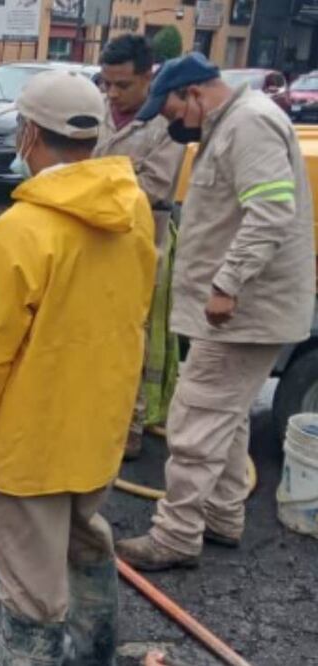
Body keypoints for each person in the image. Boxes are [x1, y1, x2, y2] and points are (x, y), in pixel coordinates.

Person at [0, 70, 156, 663]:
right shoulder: (132, 208)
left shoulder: (22, 231)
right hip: (97, 430)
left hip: (31, 446)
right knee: (85, 541)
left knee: (32, 592)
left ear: (28, 134)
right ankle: (94, 655)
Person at [116, 54, 315, 570]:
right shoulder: (231, 124)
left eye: (172, 112)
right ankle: (223, 515)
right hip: (243, 312)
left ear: (195, 95)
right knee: (225, 417)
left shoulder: (248, 125)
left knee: (195, 419)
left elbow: (270, 212)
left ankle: (176, 535)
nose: (172, 125)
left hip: (243, 313)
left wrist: (227, 284)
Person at [94, 34, 187, 460]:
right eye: (106, 83)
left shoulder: (166, 124)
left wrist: (96, 180)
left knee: (133, 337)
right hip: (91, 240)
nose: (112, 93)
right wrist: (120, 173)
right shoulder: (96, 107)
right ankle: (90, 409)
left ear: (149, 77)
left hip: (140, 243)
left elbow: (153, 187)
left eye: (123, 85)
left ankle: (130, 424)